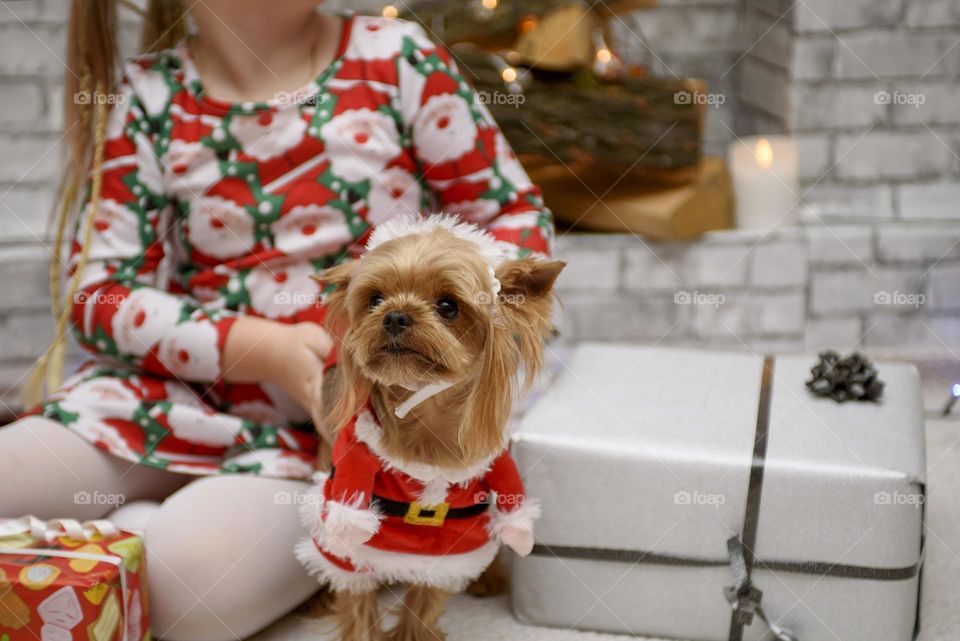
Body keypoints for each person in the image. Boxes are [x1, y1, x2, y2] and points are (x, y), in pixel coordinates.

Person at [0, 1, 553, 639]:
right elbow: (96, 293)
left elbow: (517, 224)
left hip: (325, 434)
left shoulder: (397, 60)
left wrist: (441, 305)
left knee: (187, 592)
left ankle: (175, 531)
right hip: (163, 396)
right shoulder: (150, 93)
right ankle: (143, 518)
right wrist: (264, 346)